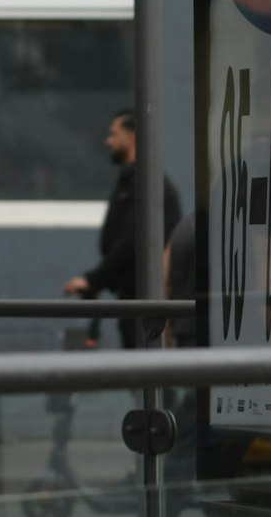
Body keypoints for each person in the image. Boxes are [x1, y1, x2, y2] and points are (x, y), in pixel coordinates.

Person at [63, 109, 183, 349]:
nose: (108, 141)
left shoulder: (145, 182)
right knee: (142, 373)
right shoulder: (134, 180)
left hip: (146, 299)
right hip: (134, 296)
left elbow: (132, 239)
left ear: (131, 137)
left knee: (148, 373)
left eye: (113, 134)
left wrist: (94, 280)